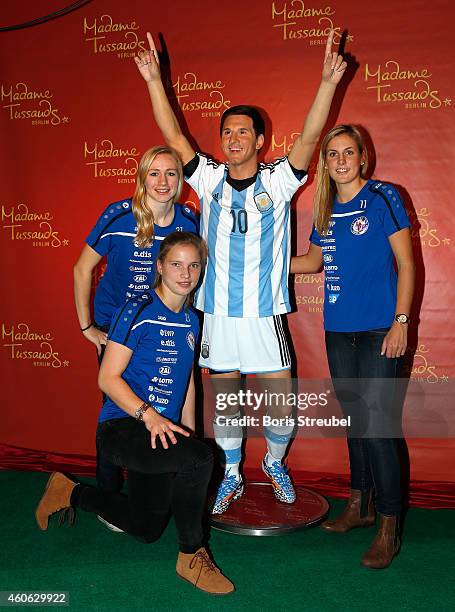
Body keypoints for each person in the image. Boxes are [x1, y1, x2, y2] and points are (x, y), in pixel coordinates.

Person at [134, 30, 347, 513]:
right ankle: (231, 472)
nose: (232, 138)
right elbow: (173, 137)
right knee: (226, 402)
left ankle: (274, 462)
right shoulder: (208, 177)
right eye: (226, 131)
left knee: (280, 403)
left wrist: (328, 84)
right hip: (218, 315)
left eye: (242, 132)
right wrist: (154, 80)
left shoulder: (280, 179)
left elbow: (311, 138)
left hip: (263, 315)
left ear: (260, 140)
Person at [36, 232, 234, 595]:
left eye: (194, 265)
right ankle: (191, 555)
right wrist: (150, 415)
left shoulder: (192, 319)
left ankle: (69, 491)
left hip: (159, 434)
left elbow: (187, 380)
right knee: (200, 460)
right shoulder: (137, 309)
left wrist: (186, 430)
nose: (186, 273)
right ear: (160, 267)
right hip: (122, 427)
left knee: (145, 528)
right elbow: (107, 378)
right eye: (176, 264)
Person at [291, 124, 415, 569]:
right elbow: (312, 262)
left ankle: (389, 525)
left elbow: (406, 262)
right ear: (324, 162)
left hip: (382, 329)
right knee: (355, 422)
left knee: (379, 428)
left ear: (363, 157)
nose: (340, 160)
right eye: (332, 154)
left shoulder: (384, 196)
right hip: (338, 330)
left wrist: (401, 321)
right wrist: (261, 262)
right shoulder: (323, 208)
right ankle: (359, 507)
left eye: (348, 152)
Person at [74, 146, 199, 498]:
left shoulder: (189, 221)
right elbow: (82, 268)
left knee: (165, 400)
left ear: (181, 180)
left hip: (165, 327)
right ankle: (108, 495)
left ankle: (155, 485)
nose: (163, 181)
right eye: (154, 173)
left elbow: (194, 272)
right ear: (142, 177)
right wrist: (87, 327)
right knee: (116, 412)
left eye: (171, 173)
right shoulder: (119, 216)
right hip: (118, 333)